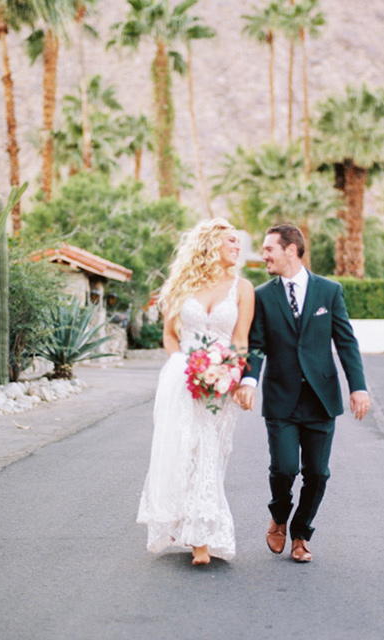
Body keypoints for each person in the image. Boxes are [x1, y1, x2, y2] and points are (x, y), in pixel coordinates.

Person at [234, 223, 370, 563]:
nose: (263, 255)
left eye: (269, 249)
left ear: (290, 250)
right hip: (281, 397)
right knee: (283, 469)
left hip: (321, 399)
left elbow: (345, 341)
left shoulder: (329, 291)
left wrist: (358, 387)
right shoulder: (263, 295)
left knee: (318, 474)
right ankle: (279, 515)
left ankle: (301, 534)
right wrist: (249, 381)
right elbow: (257, 344)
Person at [137, 218, 255, 566]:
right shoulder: (181, 286)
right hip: (180, 379)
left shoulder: (242, 288)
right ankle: (183, 526)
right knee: (180, 450)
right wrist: (184, 369)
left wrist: (229, 374)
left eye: (238, 241)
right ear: (210, 245)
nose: (237, 246)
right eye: (231, 240)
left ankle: (202, 535)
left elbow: (240, 340)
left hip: (220, 383)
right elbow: (170, 337)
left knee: (209, 453)